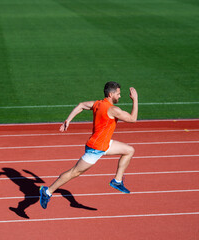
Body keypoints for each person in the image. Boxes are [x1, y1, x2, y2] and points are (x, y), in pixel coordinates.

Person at [39, 81, 138, 209]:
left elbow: (81, 105)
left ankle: (117, 181)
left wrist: (68, 120)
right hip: (95, 148)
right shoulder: (113, 110)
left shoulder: (98, 104)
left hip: (104, 143)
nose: (120, 96)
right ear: (110, 94)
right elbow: (133, 119)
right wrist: (135, 100)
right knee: (74, 172)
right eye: (118, 94)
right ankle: (47, 191)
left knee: (129, 150)